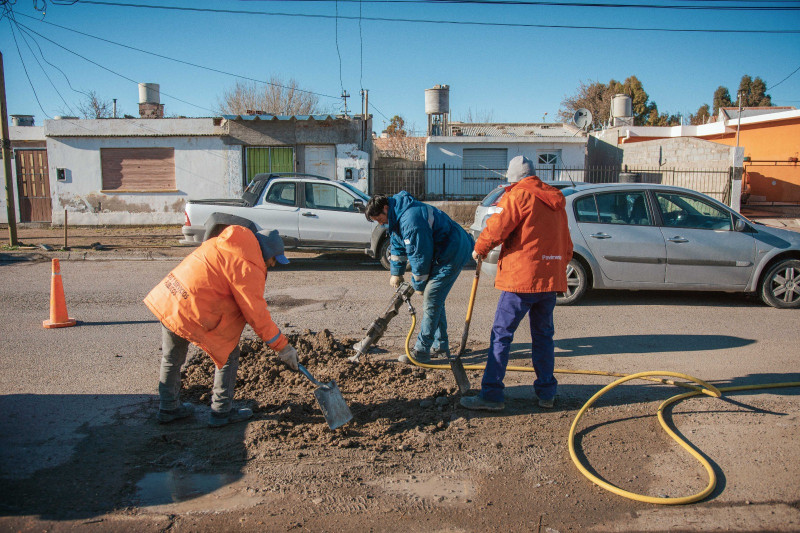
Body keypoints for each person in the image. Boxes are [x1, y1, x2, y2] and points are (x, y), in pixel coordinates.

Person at [144, 226, 299, 427]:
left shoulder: (221, 242)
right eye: (274, 260)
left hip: (171, 299)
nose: (273, 265)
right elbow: (257, 315)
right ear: (267, 253)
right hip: (194, 310)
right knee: (228, 356)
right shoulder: (248, 265)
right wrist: (282, 347)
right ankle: (221, 413)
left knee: (172, 358)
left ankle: (168, 408)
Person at [460, 156, 573, 411]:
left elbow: (497, 228)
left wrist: (479, 249)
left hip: (522, 280)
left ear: (513, 178)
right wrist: (557, 267)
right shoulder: (556, 201)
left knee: (501, 335)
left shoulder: (518, 196)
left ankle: (491, 395)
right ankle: (546, 393)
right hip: (549, 280)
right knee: (543, 337)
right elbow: (566, 242)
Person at [365, 191, 473, 364]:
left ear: (385, 208)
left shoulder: (410, 219)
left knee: (431, 297)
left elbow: (419, 256)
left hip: (453, 251)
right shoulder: (396, 216)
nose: (380, 223)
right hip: (442, 251)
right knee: (435, 299)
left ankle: (422, 351)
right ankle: (441, 346)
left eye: (379, 219)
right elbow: (398, 246)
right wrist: (396, 272)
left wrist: (419, 285)